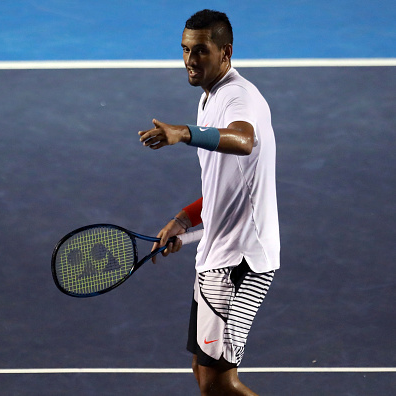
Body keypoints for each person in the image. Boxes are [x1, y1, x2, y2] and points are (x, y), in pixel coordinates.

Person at [138, 9, 280, 396]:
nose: (189, 60)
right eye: (185, 50)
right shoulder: (210, 99)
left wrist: (184, 133)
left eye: (200, 51)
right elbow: (229, 185)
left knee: (219, 383)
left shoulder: (237, 97)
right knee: (205, 376)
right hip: (217, 257)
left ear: (225, 52)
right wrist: (184, 219)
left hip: (240, 262)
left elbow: (244, 140)